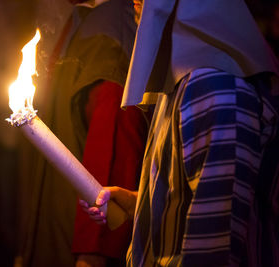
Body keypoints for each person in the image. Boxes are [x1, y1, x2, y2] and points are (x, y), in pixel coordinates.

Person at [80, 0, 279, 266]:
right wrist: (141, 204)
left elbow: (215, 246)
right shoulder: (183, 83)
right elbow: (203, 193)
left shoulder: (215, 88)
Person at [19, 0, 149, 266]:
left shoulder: (111, 38)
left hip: (75, 252)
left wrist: (90, 258)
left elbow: (111, 160)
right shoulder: (85, 22)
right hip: (54, 237)